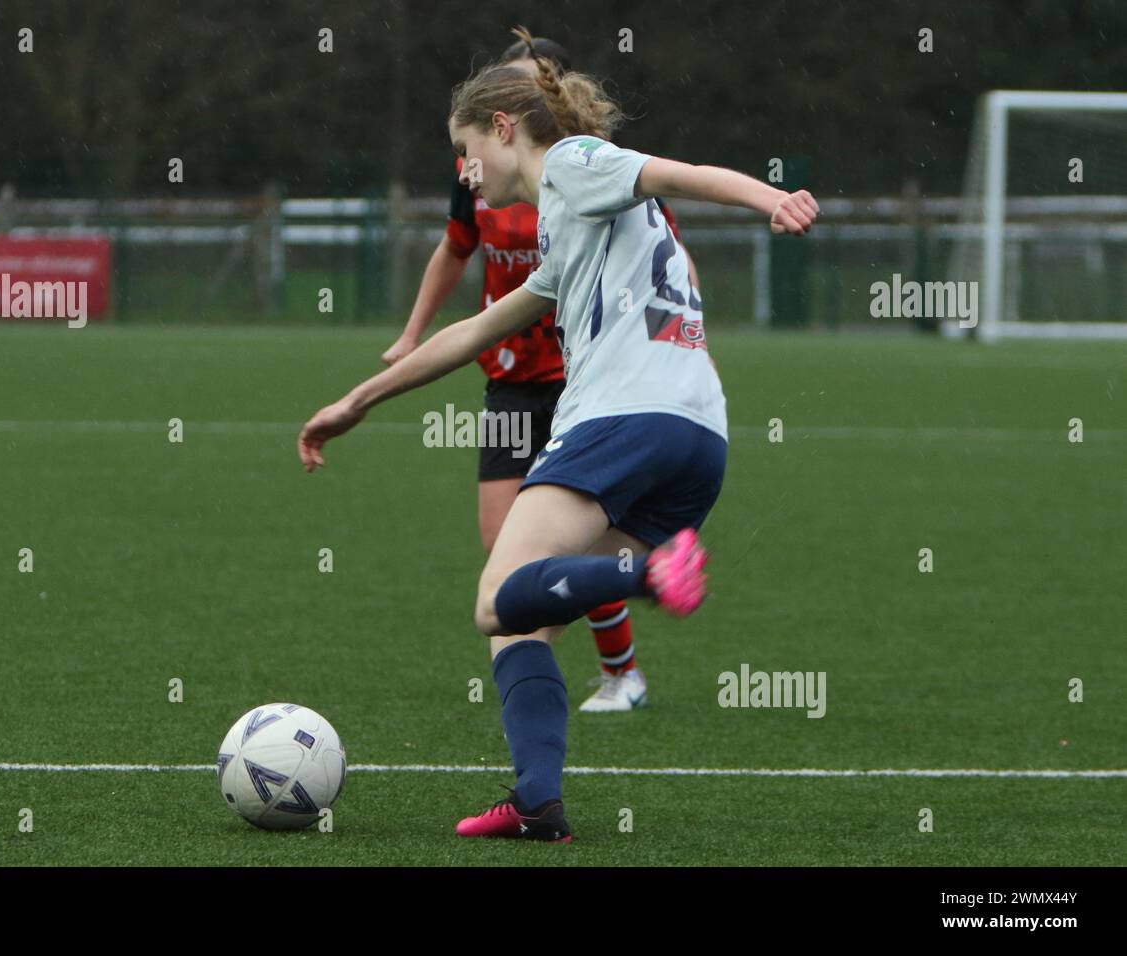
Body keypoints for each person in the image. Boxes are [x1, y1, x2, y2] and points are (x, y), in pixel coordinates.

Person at [299, 26, 817, 843]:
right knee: (525, 623)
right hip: (698, 435)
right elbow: (471, 335)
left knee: (495, 599)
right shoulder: (566, 224)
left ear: (505, 128)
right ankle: (538, 800)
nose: (464, 174)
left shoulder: (574, 165)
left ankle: (648, 576)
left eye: (467, 151)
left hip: (622, 417)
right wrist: (361, 399)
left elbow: (678, 173)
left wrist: (769, 200)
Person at [382, 34, 698, 713]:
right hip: (512, 373)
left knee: (572, 536)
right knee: (506, 546)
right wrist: (411, 335)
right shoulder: (479, 171)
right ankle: (544, 658)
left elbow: (668, 245)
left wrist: (685, 336)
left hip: (588, 376)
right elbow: (454, 248)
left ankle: (618, 671)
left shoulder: (586, 162)